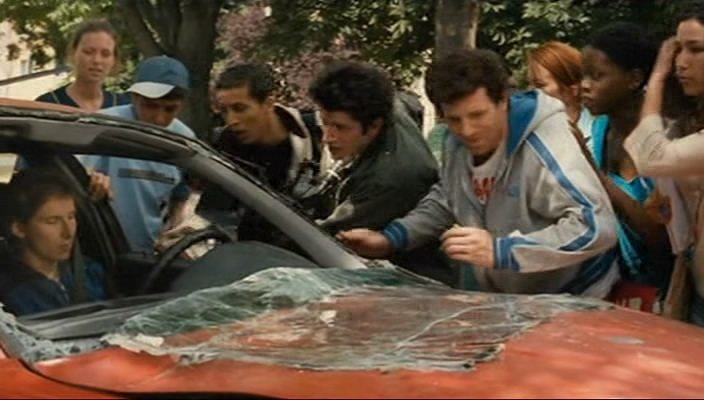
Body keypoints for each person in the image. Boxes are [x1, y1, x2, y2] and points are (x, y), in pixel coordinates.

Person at [339, 49, 619, 297]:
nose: (467, 130)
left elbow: (596, 226)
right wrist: (390, 239)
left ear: (504, 101)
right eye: (454, 119)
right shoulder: (454, 143)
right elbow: (448, 198)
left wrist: (503, 251)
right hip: (515, 301)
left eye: (477, 115)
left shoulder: (544, 143)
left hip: (577, 295)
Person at [579, 22, 673, 310]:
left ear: (634, 79)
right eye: (583, 75)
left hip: (666, 293)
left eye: (597, 76)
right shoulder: (599, 131)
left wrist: (597, 177)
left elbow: (662, 236)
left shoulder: (666, 140)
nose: (584, 85)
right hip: (611, 290)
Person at [624, 0, 704, 324]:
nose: (679, 63)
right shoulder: (689, 123)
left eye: (696, 49)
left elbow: (651, 157)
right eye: (677, 50)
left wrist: (656, 78)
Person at [80, 56, 196, 253]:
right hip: (98, 251)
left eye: (170, 109)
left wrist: (174, 227)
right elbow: (73, 173)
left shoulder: (183, 139)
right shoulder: (105, 126)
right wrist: (90, 178)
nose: (159, 118)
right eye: (150, 105)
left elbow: (180, 192)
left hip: (149, 253)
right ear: (134, 98)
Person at [307, 61, 438, 234]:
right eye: (325, 123)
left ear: (374, 126)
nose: (327, 138)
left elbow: (324, 236)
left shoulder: (388, 179)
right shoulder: (388, 108)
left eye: (340, 128)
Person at [197, 63, 325, 215]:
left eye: (240, 109)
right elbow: (212, 211)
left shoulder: (318, 136)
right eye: (224, 111)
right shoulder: (223, 148)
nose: (231, 120)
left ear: (268, 104)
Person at [0, 168, 106, 316]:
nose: (68, 233)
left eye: (71, 217)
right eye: (52, 221)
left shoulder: (91, 272)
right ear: (19, 228)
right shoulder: (9, 294)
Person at [35, 19, 129, 110]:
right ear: (73, 53)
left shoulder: (123, 107)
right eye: (88, 52)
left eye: (105, 54)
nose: (97, 60)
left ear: (114, 60)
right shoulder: (47, 104)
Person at [527, 41, 596, 145]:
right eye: (531, 84)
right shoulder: (529, 133)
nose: (532, 92)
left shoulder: (600, 132)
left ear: (573, 89)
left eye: (540, 85)